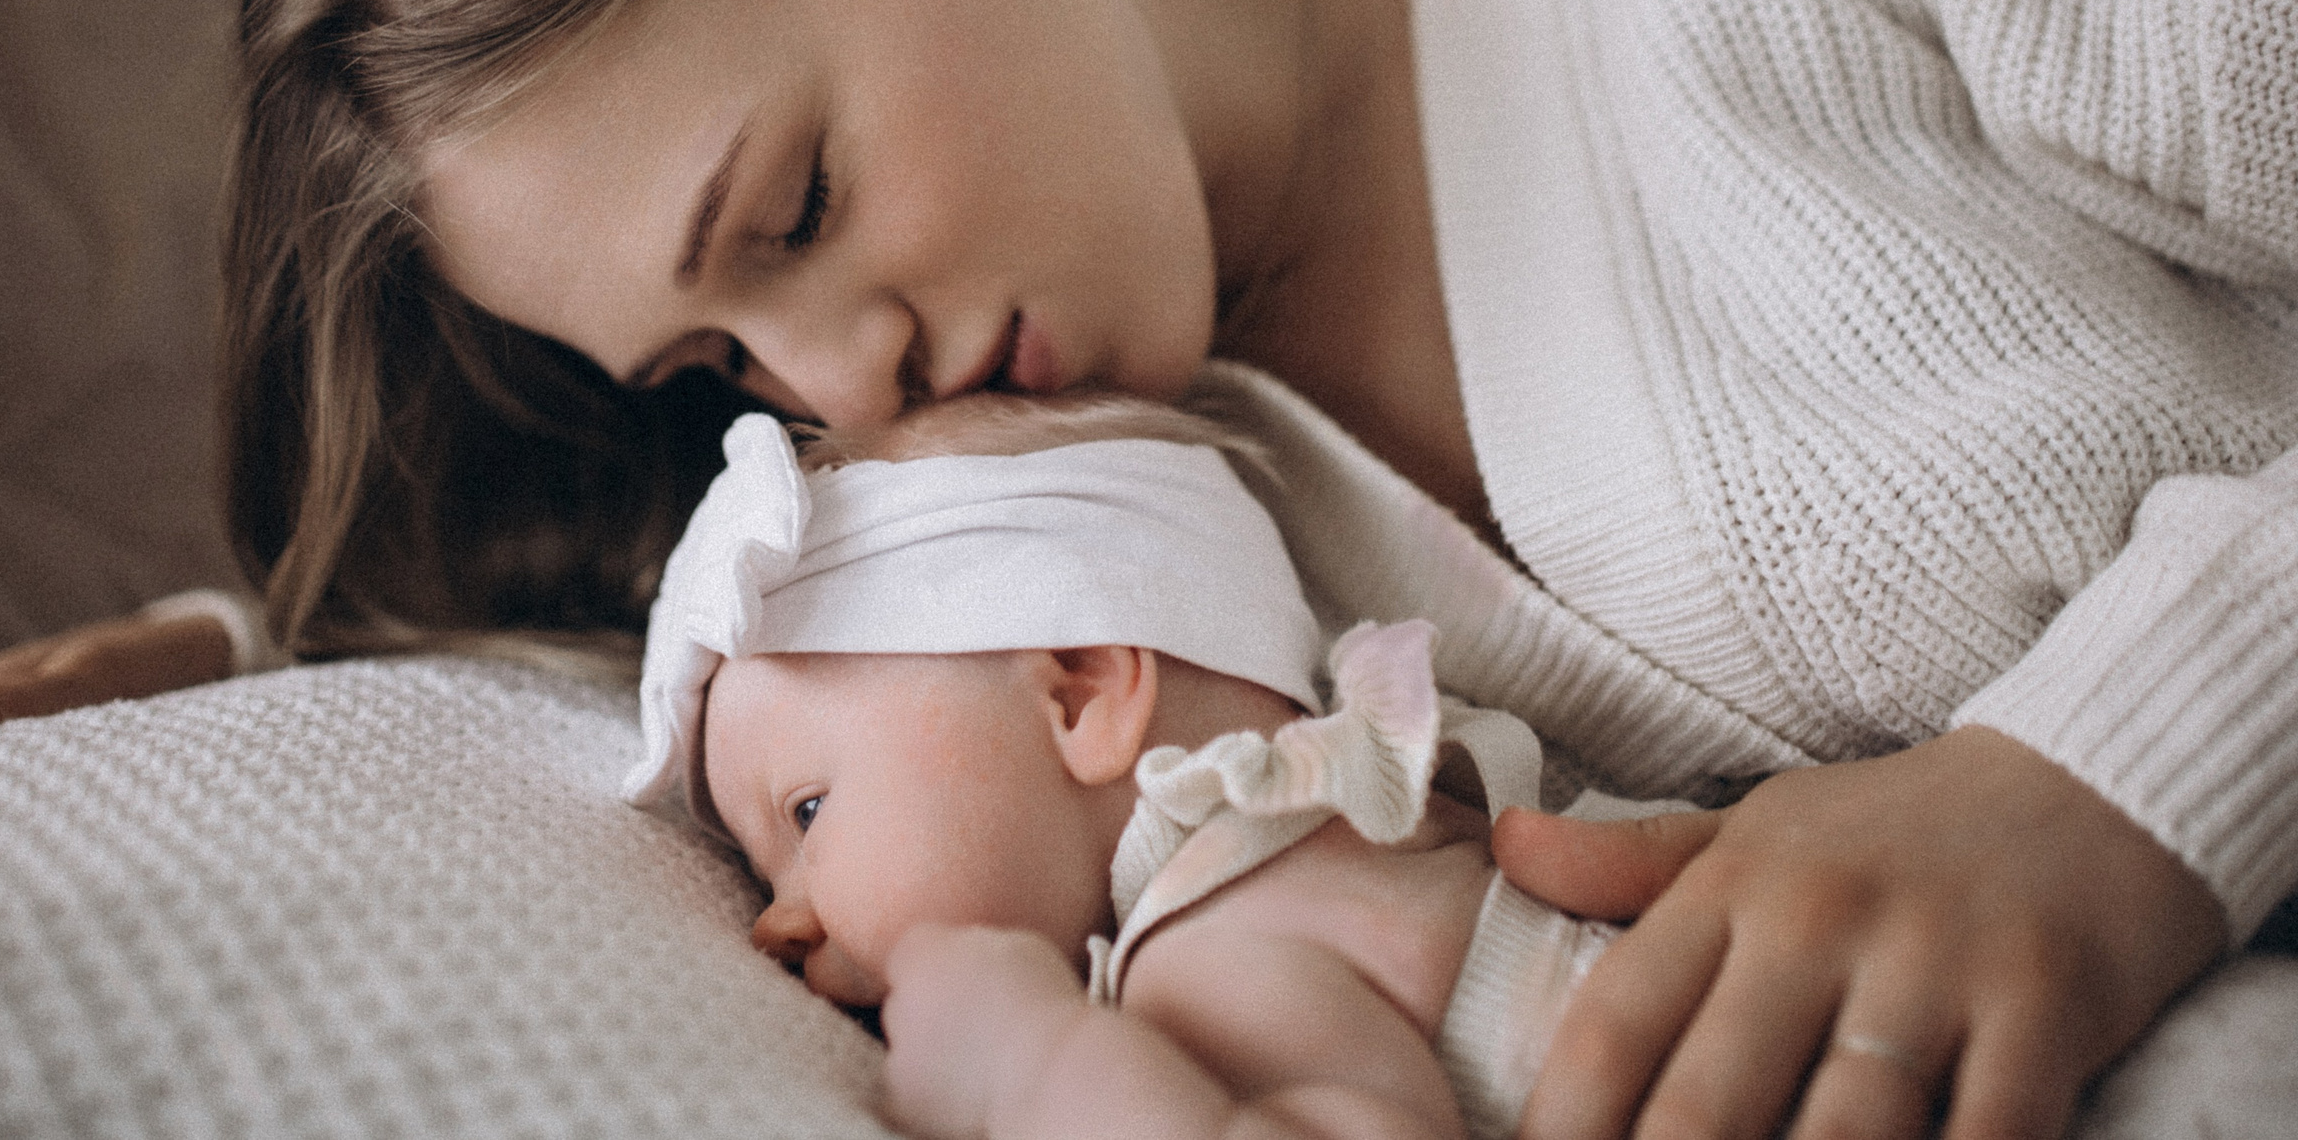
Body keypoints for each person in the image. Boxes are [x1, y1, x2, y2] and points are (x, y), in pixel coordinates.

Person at [0, 0, 2298, 1140]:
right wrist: (217, 673)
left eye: (791, 208)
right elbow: (756, 693)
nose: (839, 383)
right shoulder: (1030, 448)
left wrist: (2119, 774)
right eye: (722, 357)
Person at [629, 390, 1656, 1140]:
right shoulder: (1379, 825)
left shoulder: (1214, 932)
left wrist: (1030, 1065)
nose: (772, 922)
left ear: (1077, 697)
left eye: (806, 815)